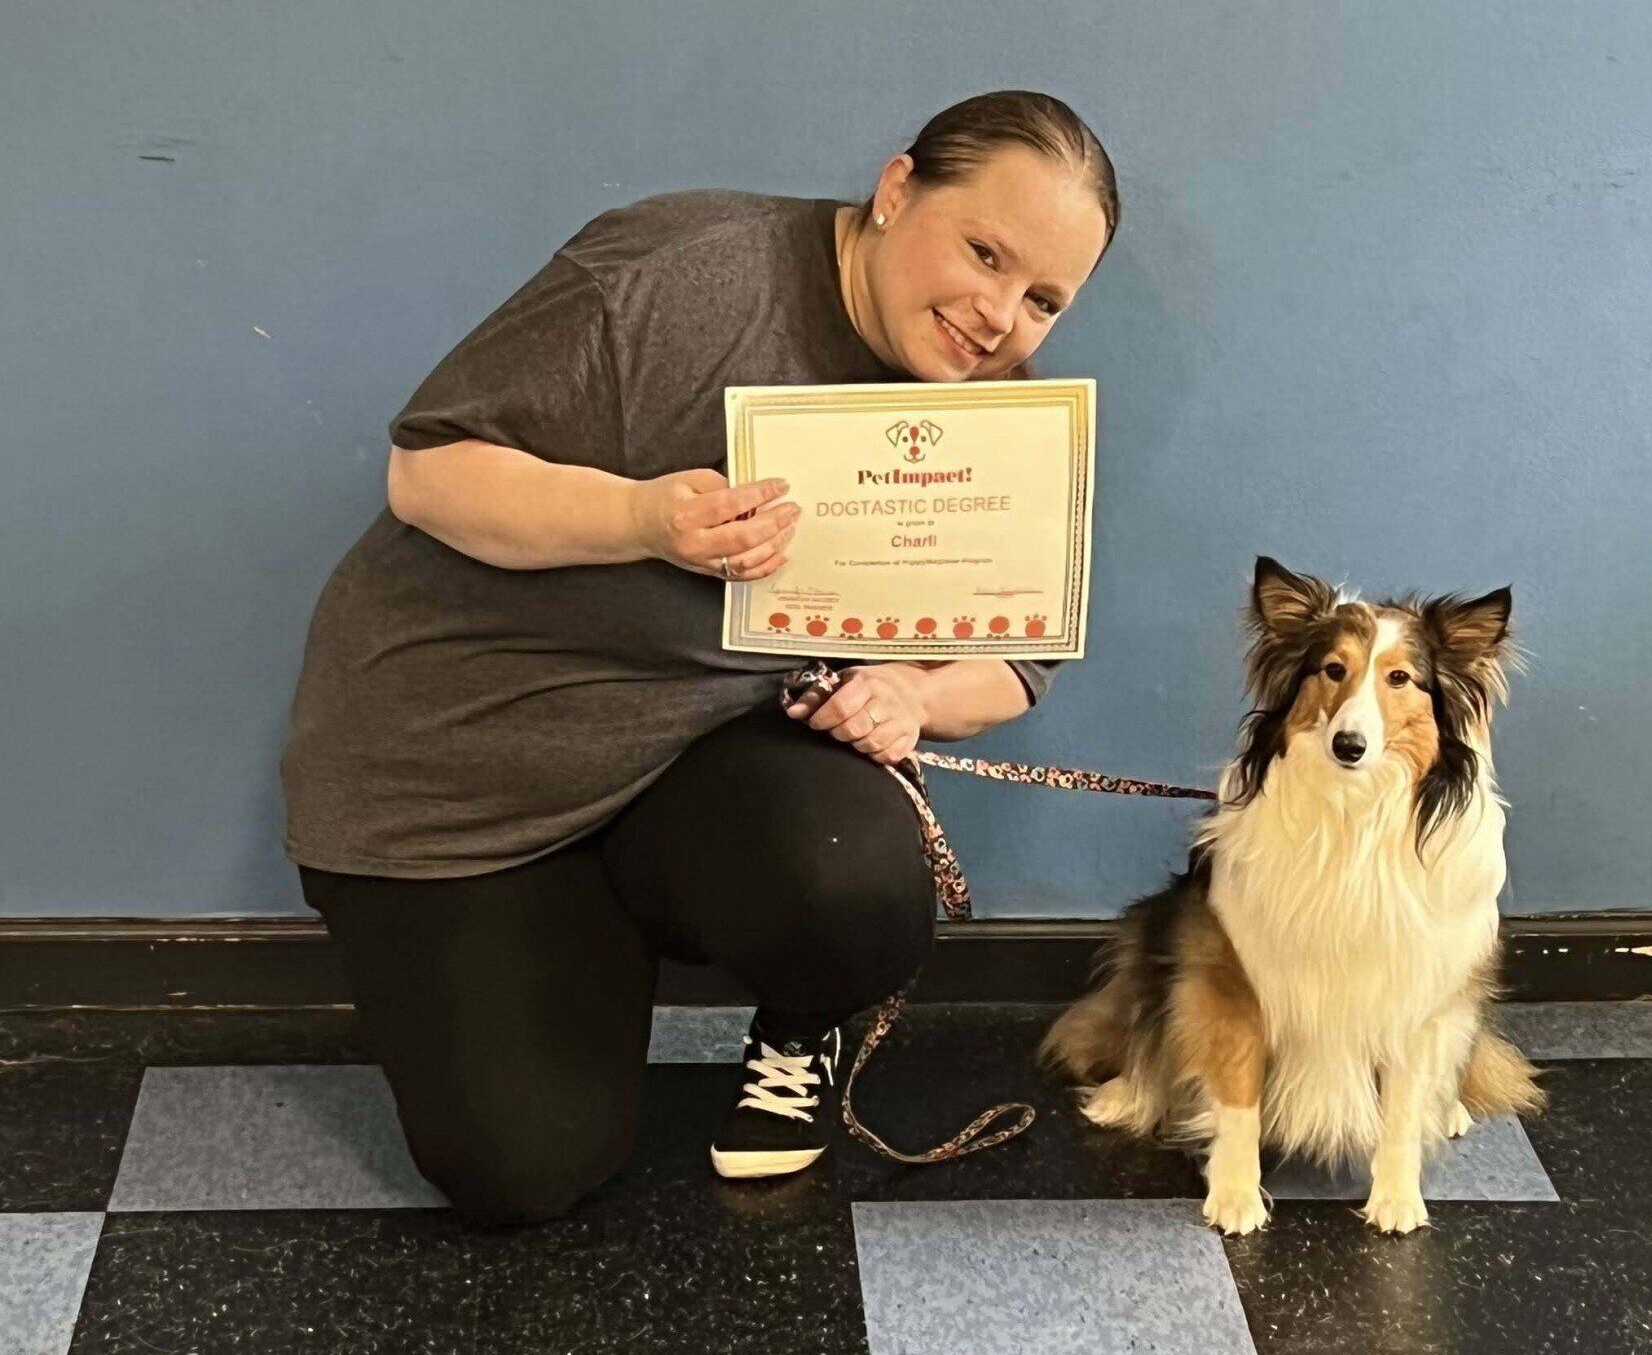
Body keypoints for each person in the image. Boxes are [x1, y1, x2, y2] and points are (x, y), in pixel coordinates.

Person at [279, 90, 1119, 1221]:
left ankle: (790, 1013)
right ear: (896, 188)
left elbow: (1017, 662)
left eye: (1042, 300)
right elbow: (425, 473)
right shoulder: (674, 269)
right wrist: (640, 521)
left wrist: (912, 698)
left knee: (860, 884)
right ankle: (561, 955)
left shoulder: (997, 413)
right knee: (518, 1170)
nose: (996, 315)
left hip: (692, 765)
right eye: (984, 251)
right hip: (456, 769)